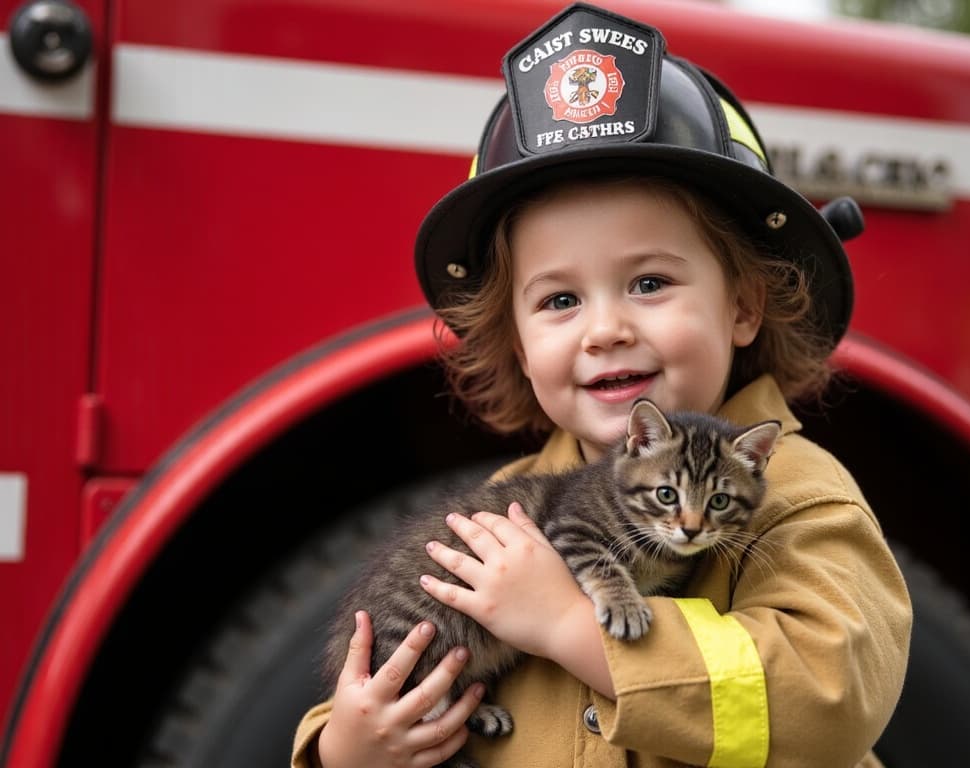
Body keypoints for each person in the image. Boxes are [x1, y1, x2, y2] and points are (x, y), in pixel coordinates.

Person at [292, 2, 912, 766]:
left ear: (745, 306)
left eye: (649, 282)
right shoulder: (509, 504)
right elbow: (376, 672)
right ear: (518, 346)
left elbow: (828, 696)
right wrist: (343, 751)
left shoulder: (798, 496)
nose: (604, 329)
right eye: (559, 301)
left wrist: (567, 626)